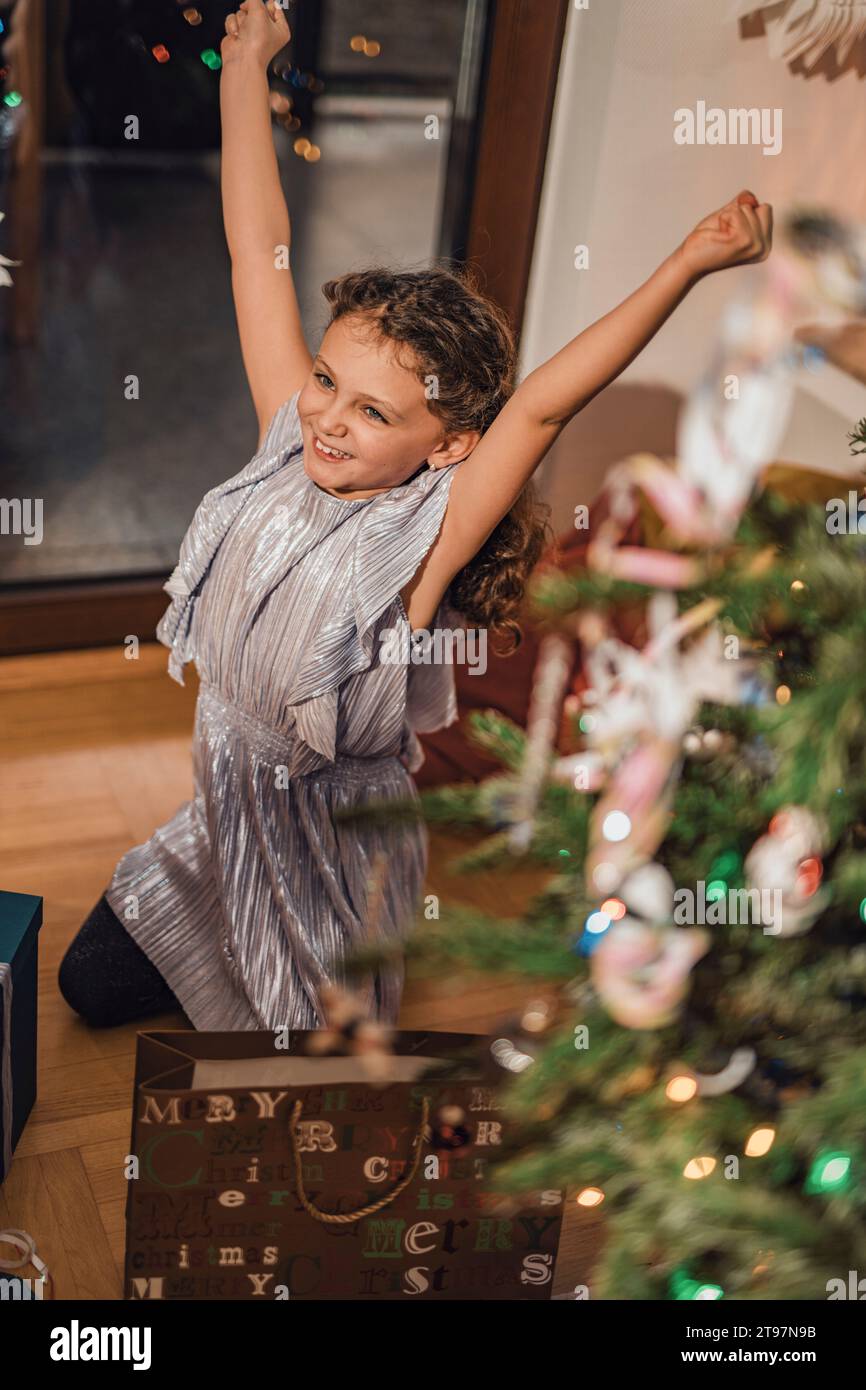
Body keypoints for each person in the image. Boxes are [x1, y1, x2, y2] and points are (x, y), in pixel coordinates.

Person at [58, 0, 772, 1030]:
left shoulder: (424, 538)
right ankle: (206, 920)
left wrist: (686, 262)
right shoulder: (282, 441)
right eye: (324, 381)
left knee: (305, 1079)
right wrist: (242, 67)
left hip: (321, 845)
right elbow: (252, 251)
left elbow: (541, 402)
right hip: (223, 813)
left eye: (372, 410)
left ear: (446, 446)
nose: (328, 421)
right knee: (86, 985)